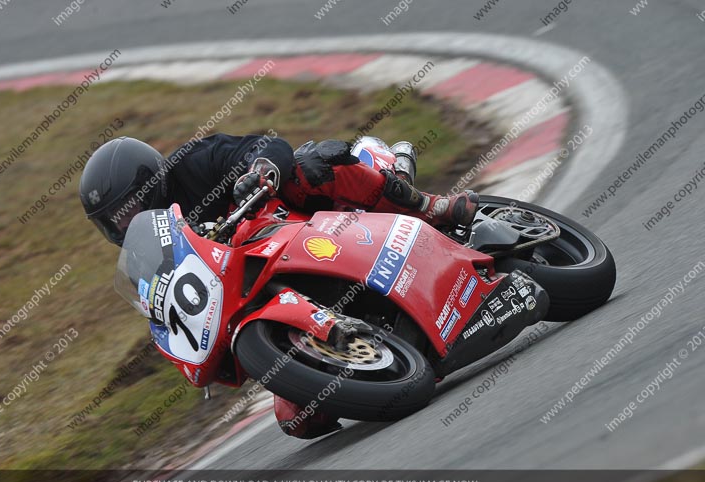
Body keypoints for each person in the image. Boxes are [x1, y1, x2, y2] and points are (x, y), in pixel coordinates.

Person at [80, 134, 479, 438]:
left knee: (309, 167)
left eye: (129, 208)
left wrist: (261, 170)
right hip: (257, 290)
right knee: (300, 419)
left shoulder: (195, 162)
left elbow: (267, 145)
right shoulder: (144, 254)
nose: (125, 224)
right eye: (113, 222)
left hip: (298, 223)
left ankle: (428, 205)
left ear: (151, 180)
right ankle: (377, 347)